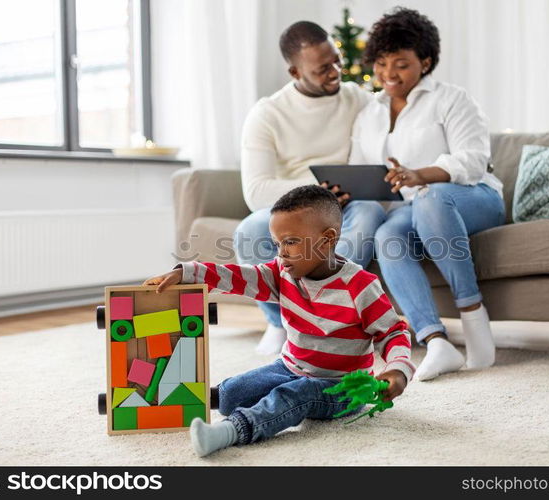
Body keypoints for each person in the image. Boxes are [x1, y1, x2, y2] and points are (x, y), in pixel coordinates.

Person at [144, 185, 415, 456]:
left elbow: (392, 332)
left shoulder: (361, 286)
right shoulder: (281, 274)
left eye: (291, 242)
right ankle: (170, 403)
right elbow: (238, 277)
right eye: (277, 243)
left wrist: (397, 371)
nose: (281, 253)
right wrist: (188, 273)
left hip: (342, 386)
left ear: (327, 238)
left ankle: (231, 431)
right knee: (236, 390)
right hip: (290, 366)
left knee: (293, 395)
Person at [349, 8, 505, 381]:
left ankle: (473, 316)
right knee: (388, 235)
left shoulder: (452, 99)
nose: (388, 74)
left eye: (401, 64)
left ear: (426, 61)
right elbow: (362, 167)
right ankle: (436, 341)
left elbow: (473, 160)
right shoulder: (369, 112)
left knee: (432, 197)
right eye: (382, 63)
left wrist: (420, 174)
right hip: (413, 206)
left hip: (472, 197)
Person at [236, 21, 386, 356]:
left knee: (369, 214)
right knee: (248, 231)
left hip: (349, 205)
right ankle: (281, 324)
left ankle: (339, 321)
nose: (335, 72)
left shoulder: (357, 99)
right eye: (322, 69)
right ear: (294, 71)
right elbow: (256, 191)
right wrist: (316, 190)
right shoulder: (267, 114)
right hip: (295, 209)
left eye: (336, 61)